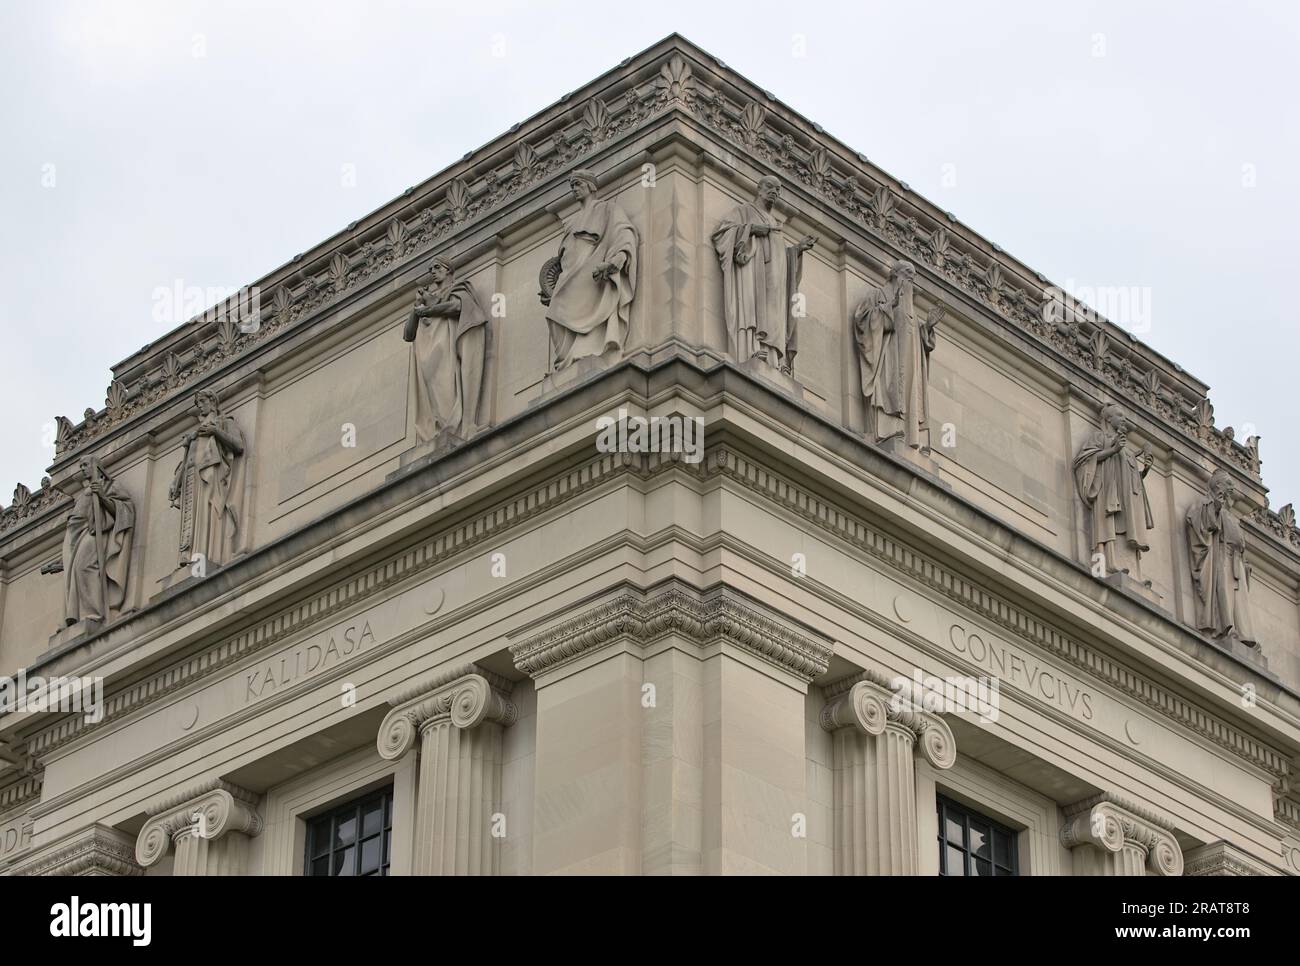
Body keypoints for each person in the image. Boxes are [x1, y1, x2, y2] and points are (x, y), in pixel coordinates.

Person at [543, 169, 637, 371]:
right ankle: (567, 360)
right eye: (572, 186)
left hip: (589, 270)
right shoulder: (572, 222)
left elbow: (623, 233)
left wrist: (616, 260)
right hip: (569, 273)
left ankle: (585, 351)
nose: (575, 190)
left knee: (562, 311)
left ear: (590, 186)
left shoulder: (607, 209)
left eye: (578, 184)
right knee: (554, 312)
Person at [404, 255, 490, 442]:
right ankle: (439, 429)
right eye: (430, 270)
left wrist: (428, 310)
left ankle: (454, 426)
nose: (433, 272)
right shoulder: (427, 300)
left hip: (447, 352)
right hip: (428, 359)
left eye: (436, 267)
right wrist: (416, 307)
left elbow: (458, 306)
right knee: (434, 395)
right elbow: (408, 334)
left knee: (447, 387)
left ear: (448, 269)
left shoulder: (458, 289)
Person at [1073, 404, 1154, 577]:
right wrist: (1113, 450)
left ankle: (1134, 572)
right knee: (1106, 526)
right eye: (1120, 415)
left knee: (1123, 528)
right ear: (1109, 419)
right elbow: (1085, 460)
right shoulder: (1099, 437)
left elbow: (1132, 477)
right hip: (1105, 490)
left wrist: (1145, 469)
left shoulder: (1126, 448)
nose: (1124, 419)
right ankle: (1107, 564)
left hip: (1123, 498)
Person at [169, 390, 245, 568]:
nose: (199, 406)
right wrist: (176, 482)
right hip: (191, 481)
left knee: (206, 516)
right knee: (192, 524)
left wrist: (216, 431)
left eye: (202, 401)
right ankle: (192, 560)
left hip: (210, 479)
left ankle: (204, 559)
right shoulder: (195, 434)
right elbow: (189, 461)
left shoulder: (224, 423)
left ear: (212, 401)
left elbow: (238, 445)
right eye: (198, 403)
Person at [1186, 469, 1258, 646]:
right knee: (1224, 593)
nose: (1232, 487)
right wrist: (1215, 508)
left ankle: (1243, 635)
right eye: (1228, 484)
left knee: (1239, 600)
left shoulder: (1230, 515)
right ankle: (1226, 628)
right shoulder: (1206, 503)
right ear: (1218, 485)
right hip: (1222, 558)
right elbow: (1198, 522)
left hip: (1236, 562)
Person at [61, 457, 134, 626]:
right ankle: (85, 612)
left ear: (96, 466)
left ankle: (95, 612)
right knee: (78, 570)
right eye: (81, 466)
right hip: (79, 535)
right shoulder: (85, 492)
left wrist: (102, 496)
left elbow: (125, 509)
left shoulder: (110, 486)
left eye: (86, 465)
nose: (83, 469)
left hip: (95, 533)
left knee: (84, 567)